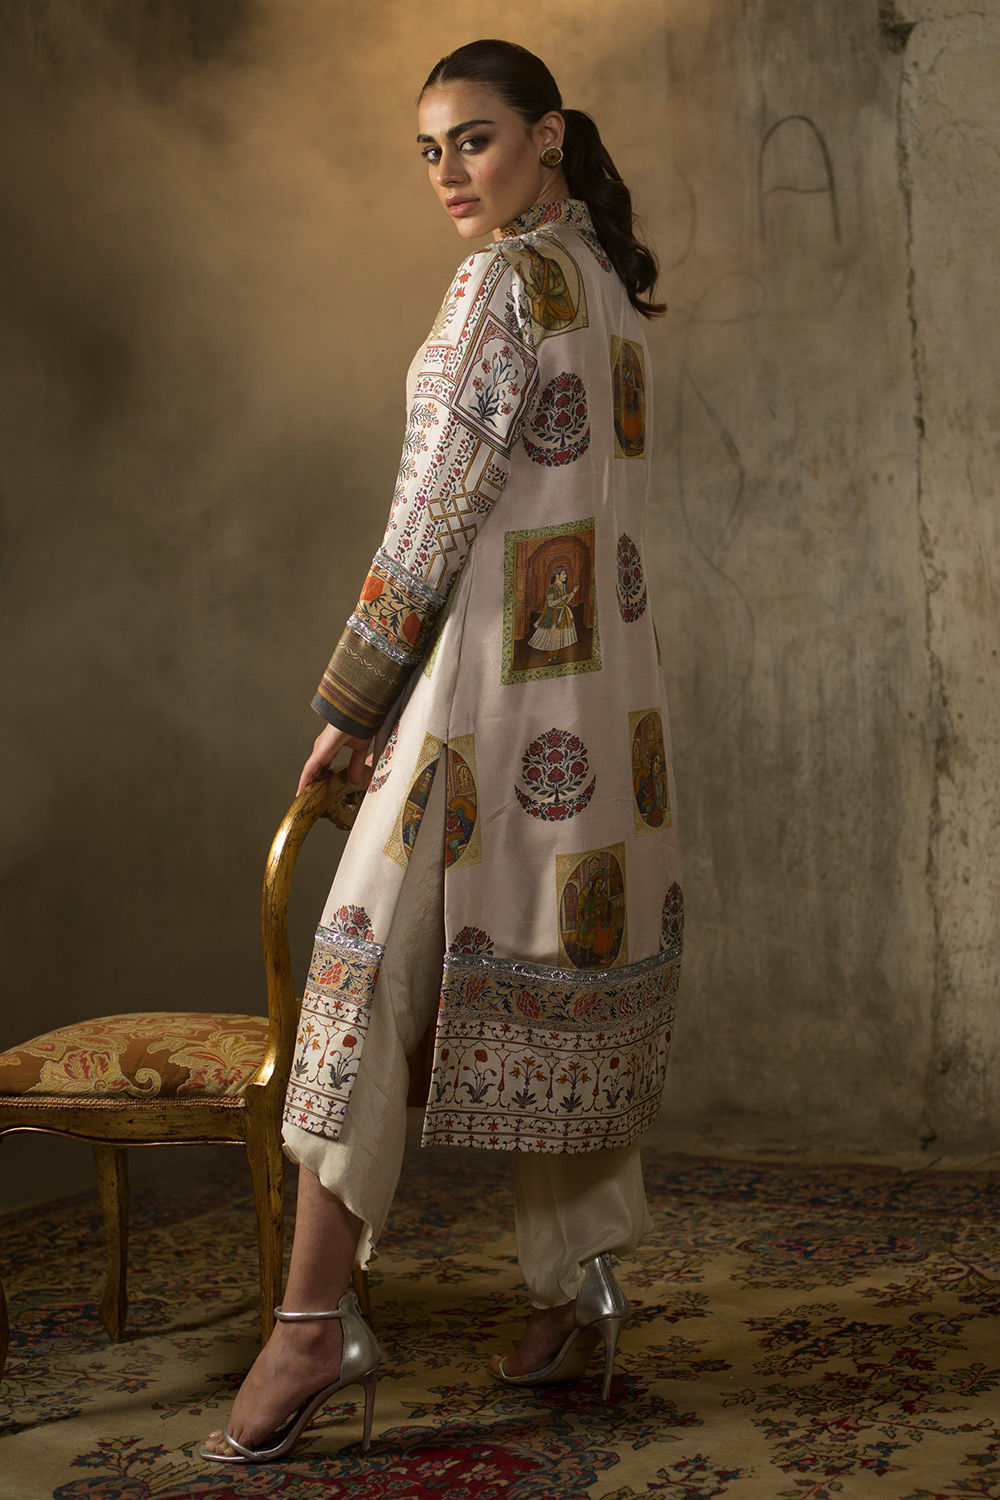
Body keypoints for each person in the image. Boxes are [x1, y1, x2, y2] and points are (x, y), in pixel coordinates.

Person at [201, 36, 683, 1465]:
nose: (449, 173)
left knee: (357, 973)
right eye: (429, 149)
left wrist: (354, 704)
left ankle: (310, 1324)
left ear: (547, 134)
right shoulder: (607, 285)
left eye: (474, 139)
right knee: (559, 973)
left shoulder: (504, 285)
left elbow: (435, 514)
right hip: (605, 712)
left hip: (487, 702)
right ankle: (574, 1289)